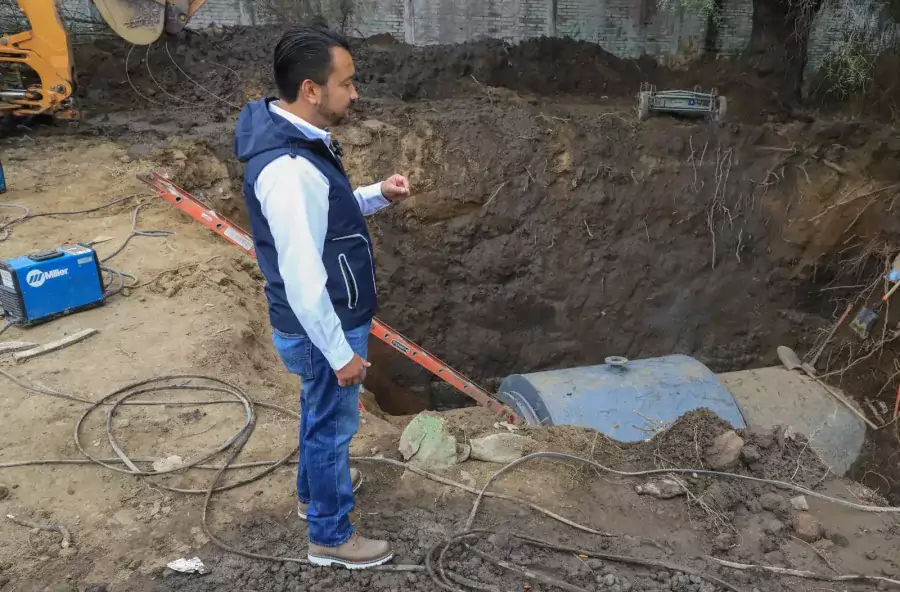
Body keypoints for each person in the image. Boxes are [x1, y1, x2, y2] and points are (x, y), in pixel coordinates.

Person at [234, 26, 411, 569]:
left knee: (319, 416)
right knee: (334, 428)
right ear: (311, 89)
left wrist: (374, 196)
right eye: (347, 83)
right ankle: (331, 537)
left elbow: (326, 218)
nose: (354, 94)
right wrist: (341, 355)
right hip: (322, 324)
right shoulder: (288, 171)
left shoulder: (295, 139)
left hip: (321, 321)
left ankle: (314, 497)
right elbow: (304, 278)